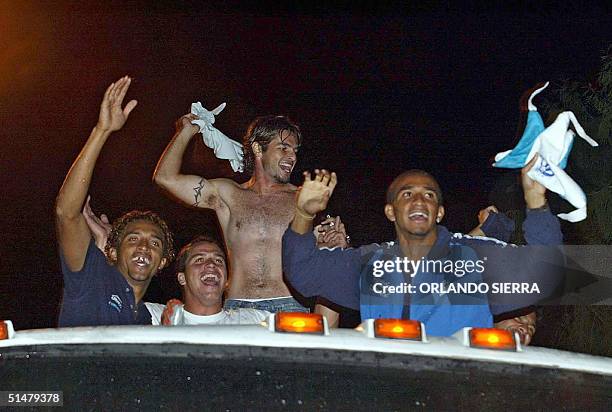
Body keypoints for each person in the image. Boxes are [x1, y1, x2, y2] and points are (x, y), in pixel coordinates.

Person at [282, 161, 562, 337]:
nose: (418, 200)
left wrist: (536, 201)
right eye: (407, 194)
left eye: (428, 195)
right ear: (391, 212)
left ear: (439, 212)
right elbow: (304, 273)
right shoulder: (370, 265)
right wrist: (304, 215)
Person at [153, 109, 311, 313]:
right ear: (257, 148)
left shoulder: (303, 198)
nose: (292, 156)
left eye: (295, 151)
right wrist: (187, 130)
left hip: (290, 306)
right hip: (238, 307)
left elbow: (326, 254)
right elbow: (165, 178)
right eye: (284, 148)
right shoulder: (228, 194)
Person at [56, 76, 175, 327]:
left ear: (162, 261)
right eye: (132, 239)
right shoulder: (94, 276)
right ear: (112, 250)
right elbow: (67, 213)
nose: (144, 247)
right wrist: (102, 131)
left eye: (154, 243)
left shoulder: (145, 319)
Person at [146, 236, 270, 325]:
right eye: (199, 259)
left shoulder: (255, 320)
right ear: (182, 278)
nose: (211, 264)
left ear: (226, 280)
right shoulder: (155, 316)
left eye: (218, 261)